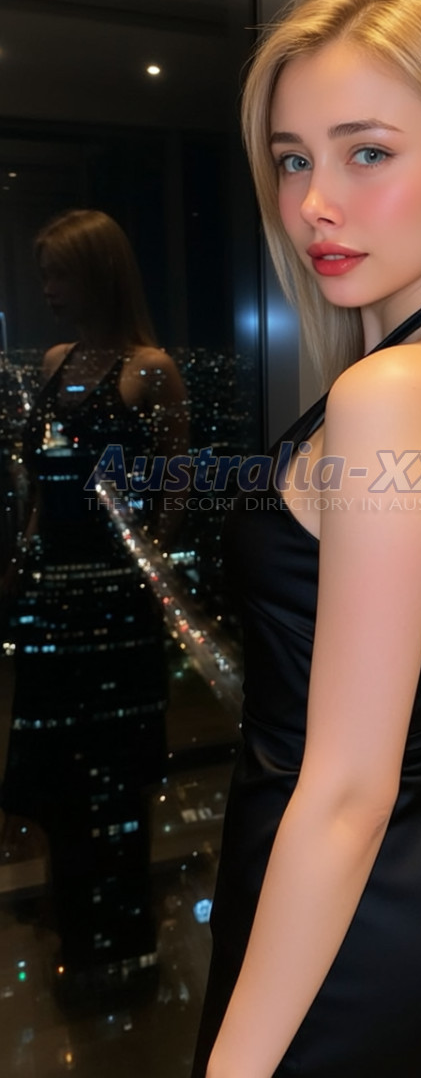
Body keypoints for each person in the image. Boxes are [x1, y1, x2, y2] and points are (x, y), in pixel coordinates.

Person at [193, 0, 421, 1078]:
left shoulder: (394, 394)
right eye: (294, 158)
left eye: (368, 153)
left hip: (355, 921)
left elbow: (347, 792)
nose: (313, 204)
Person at [1, 208, 187, 1001]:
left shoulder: (151, 370)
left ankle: (119, 935)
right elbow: (42, 489)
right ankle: (76, 920)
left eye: (60, 274)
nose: (47, 289)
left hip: (114, 601)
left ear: (99, 276)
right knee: (59, 773)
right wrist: (24, 566)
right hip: (53, 597)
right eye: (44, 274)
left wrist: (140, 575)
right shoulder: (56, 363)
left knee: (112, 772)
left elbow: (173, 488)